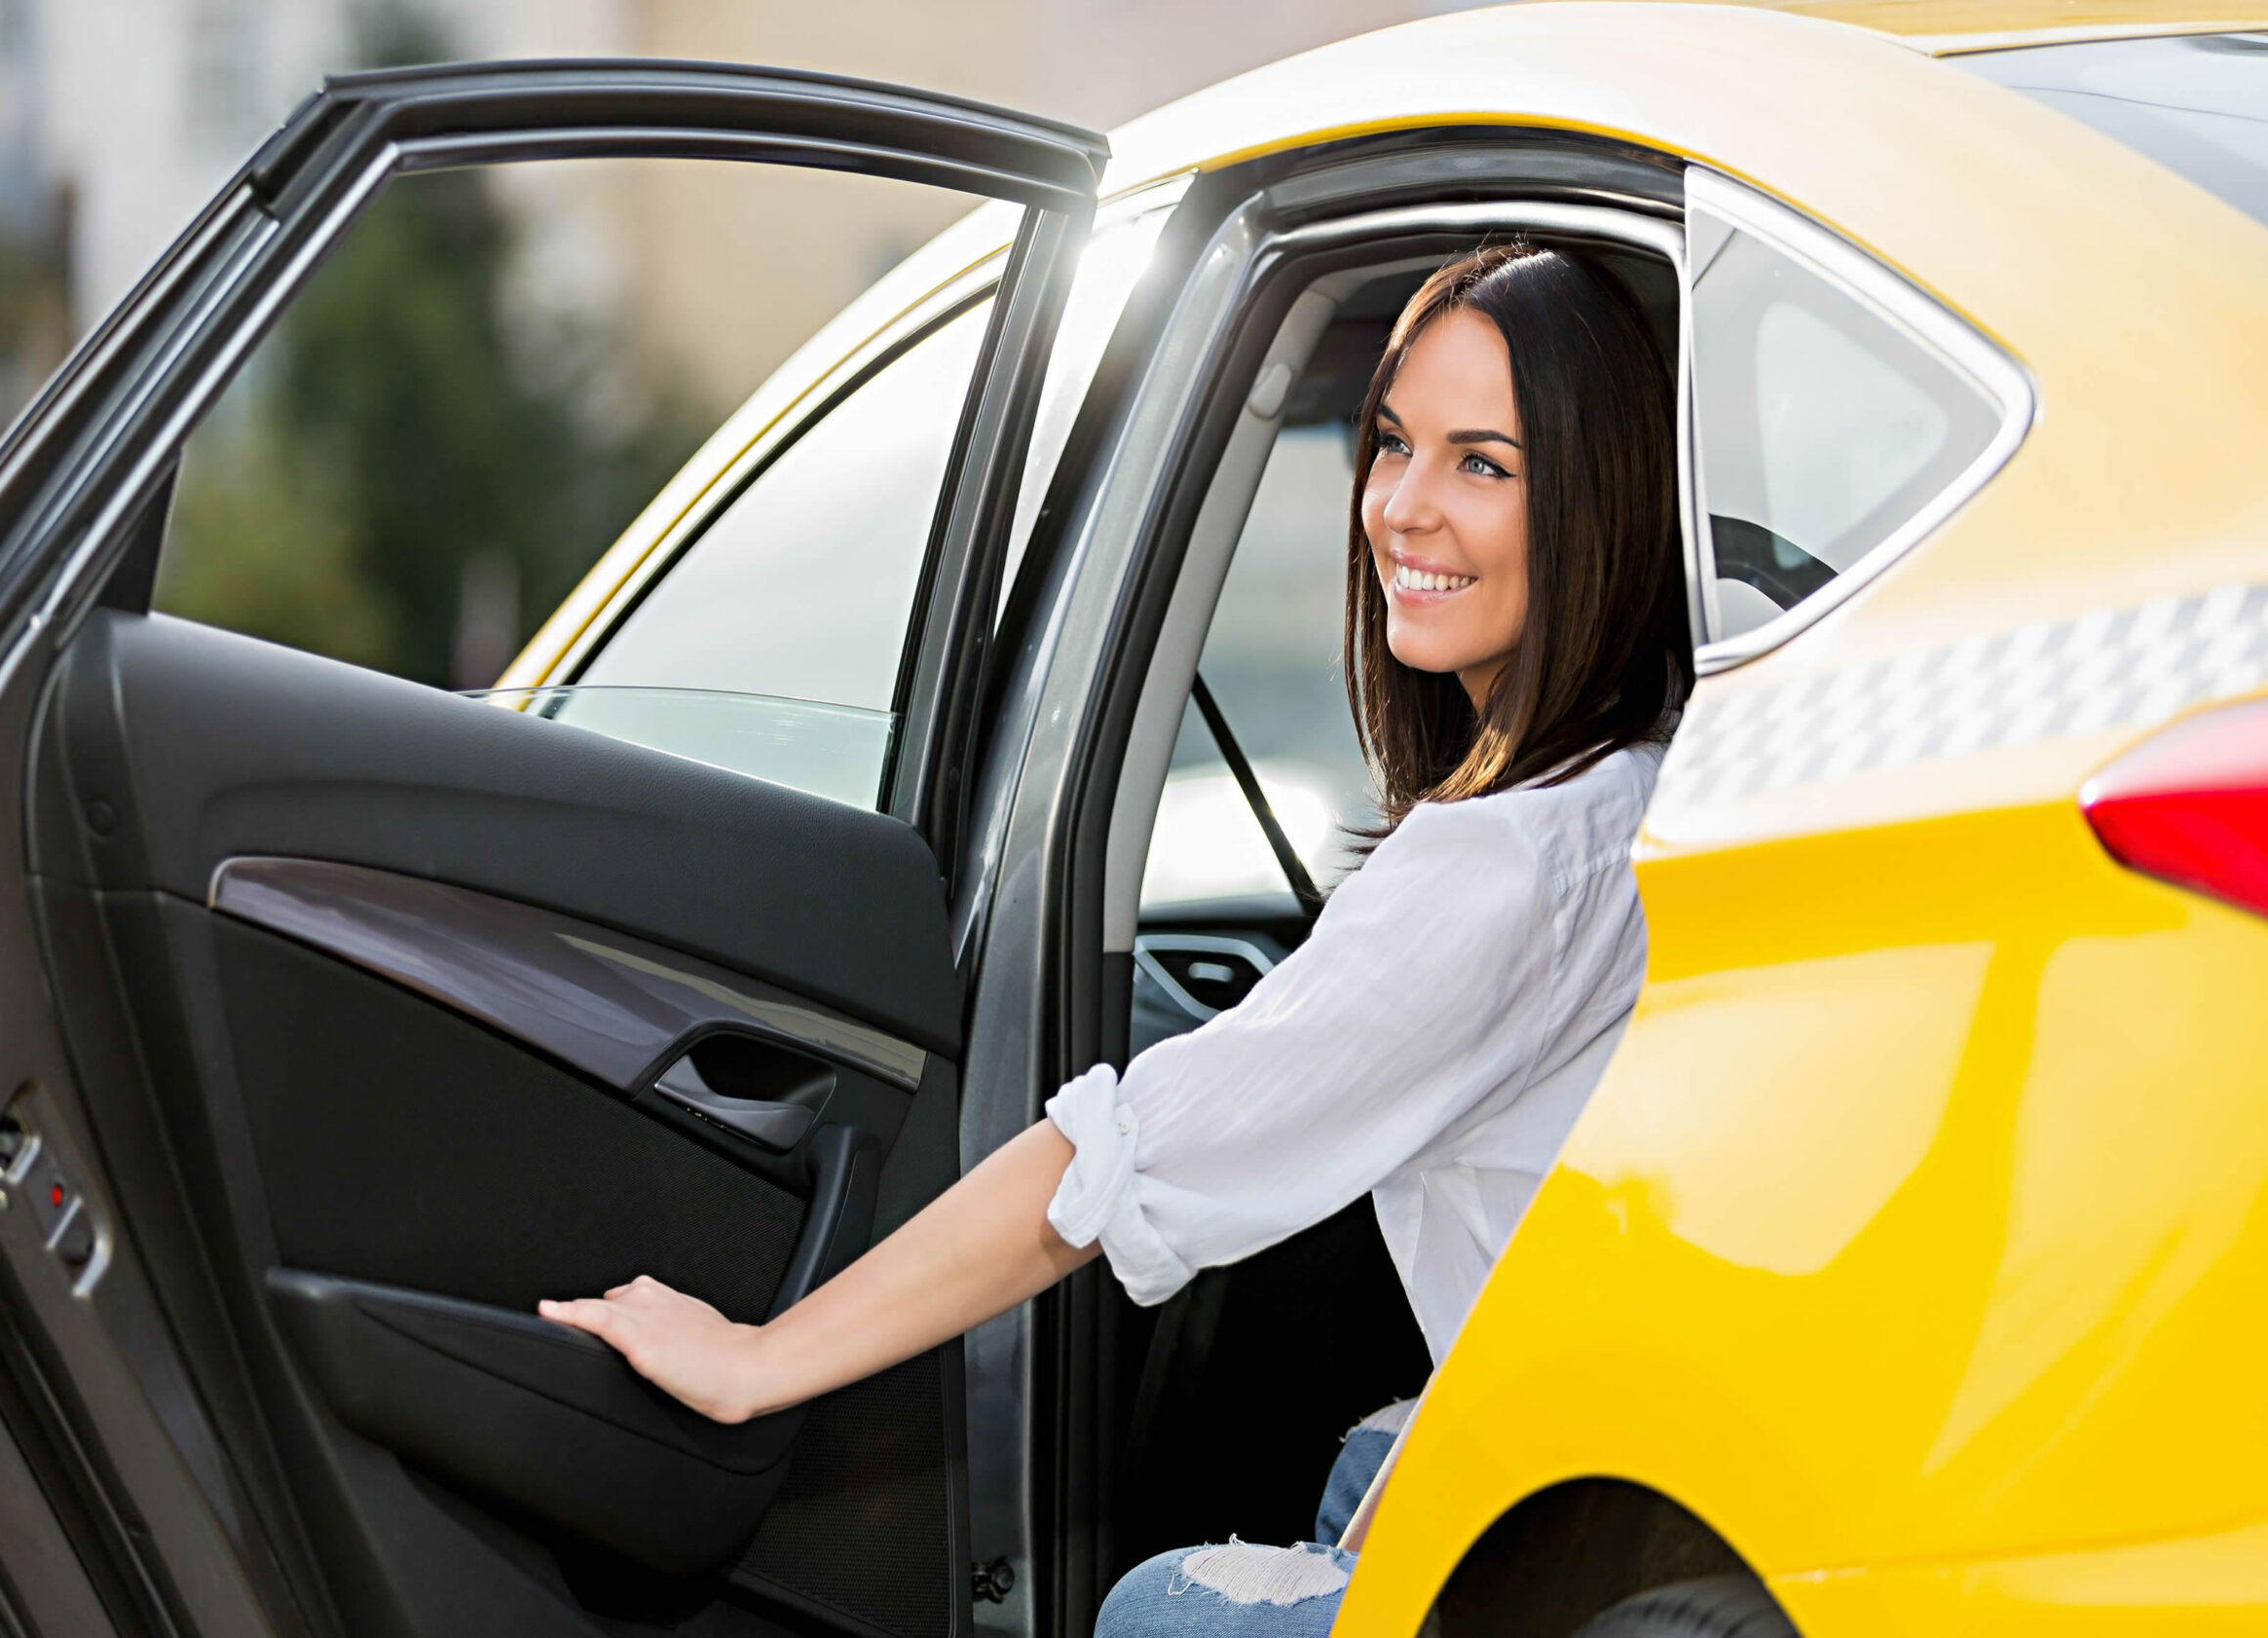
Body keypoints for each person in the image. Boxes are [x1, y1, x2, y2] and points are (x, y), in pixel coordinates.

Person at [540, 241, 1693, 1636]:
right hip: (1641, 1446)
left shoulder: (1497, 868)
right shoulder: (1650, 776)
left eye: (1484, 466)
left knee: (1151, 1608)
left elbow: (1109, 1166)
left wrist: (760, 1357)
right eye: (1394, 443)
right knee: (1363, 1466)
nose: (1402, 507)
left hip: (1616, 1505)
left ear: (1600, 502)